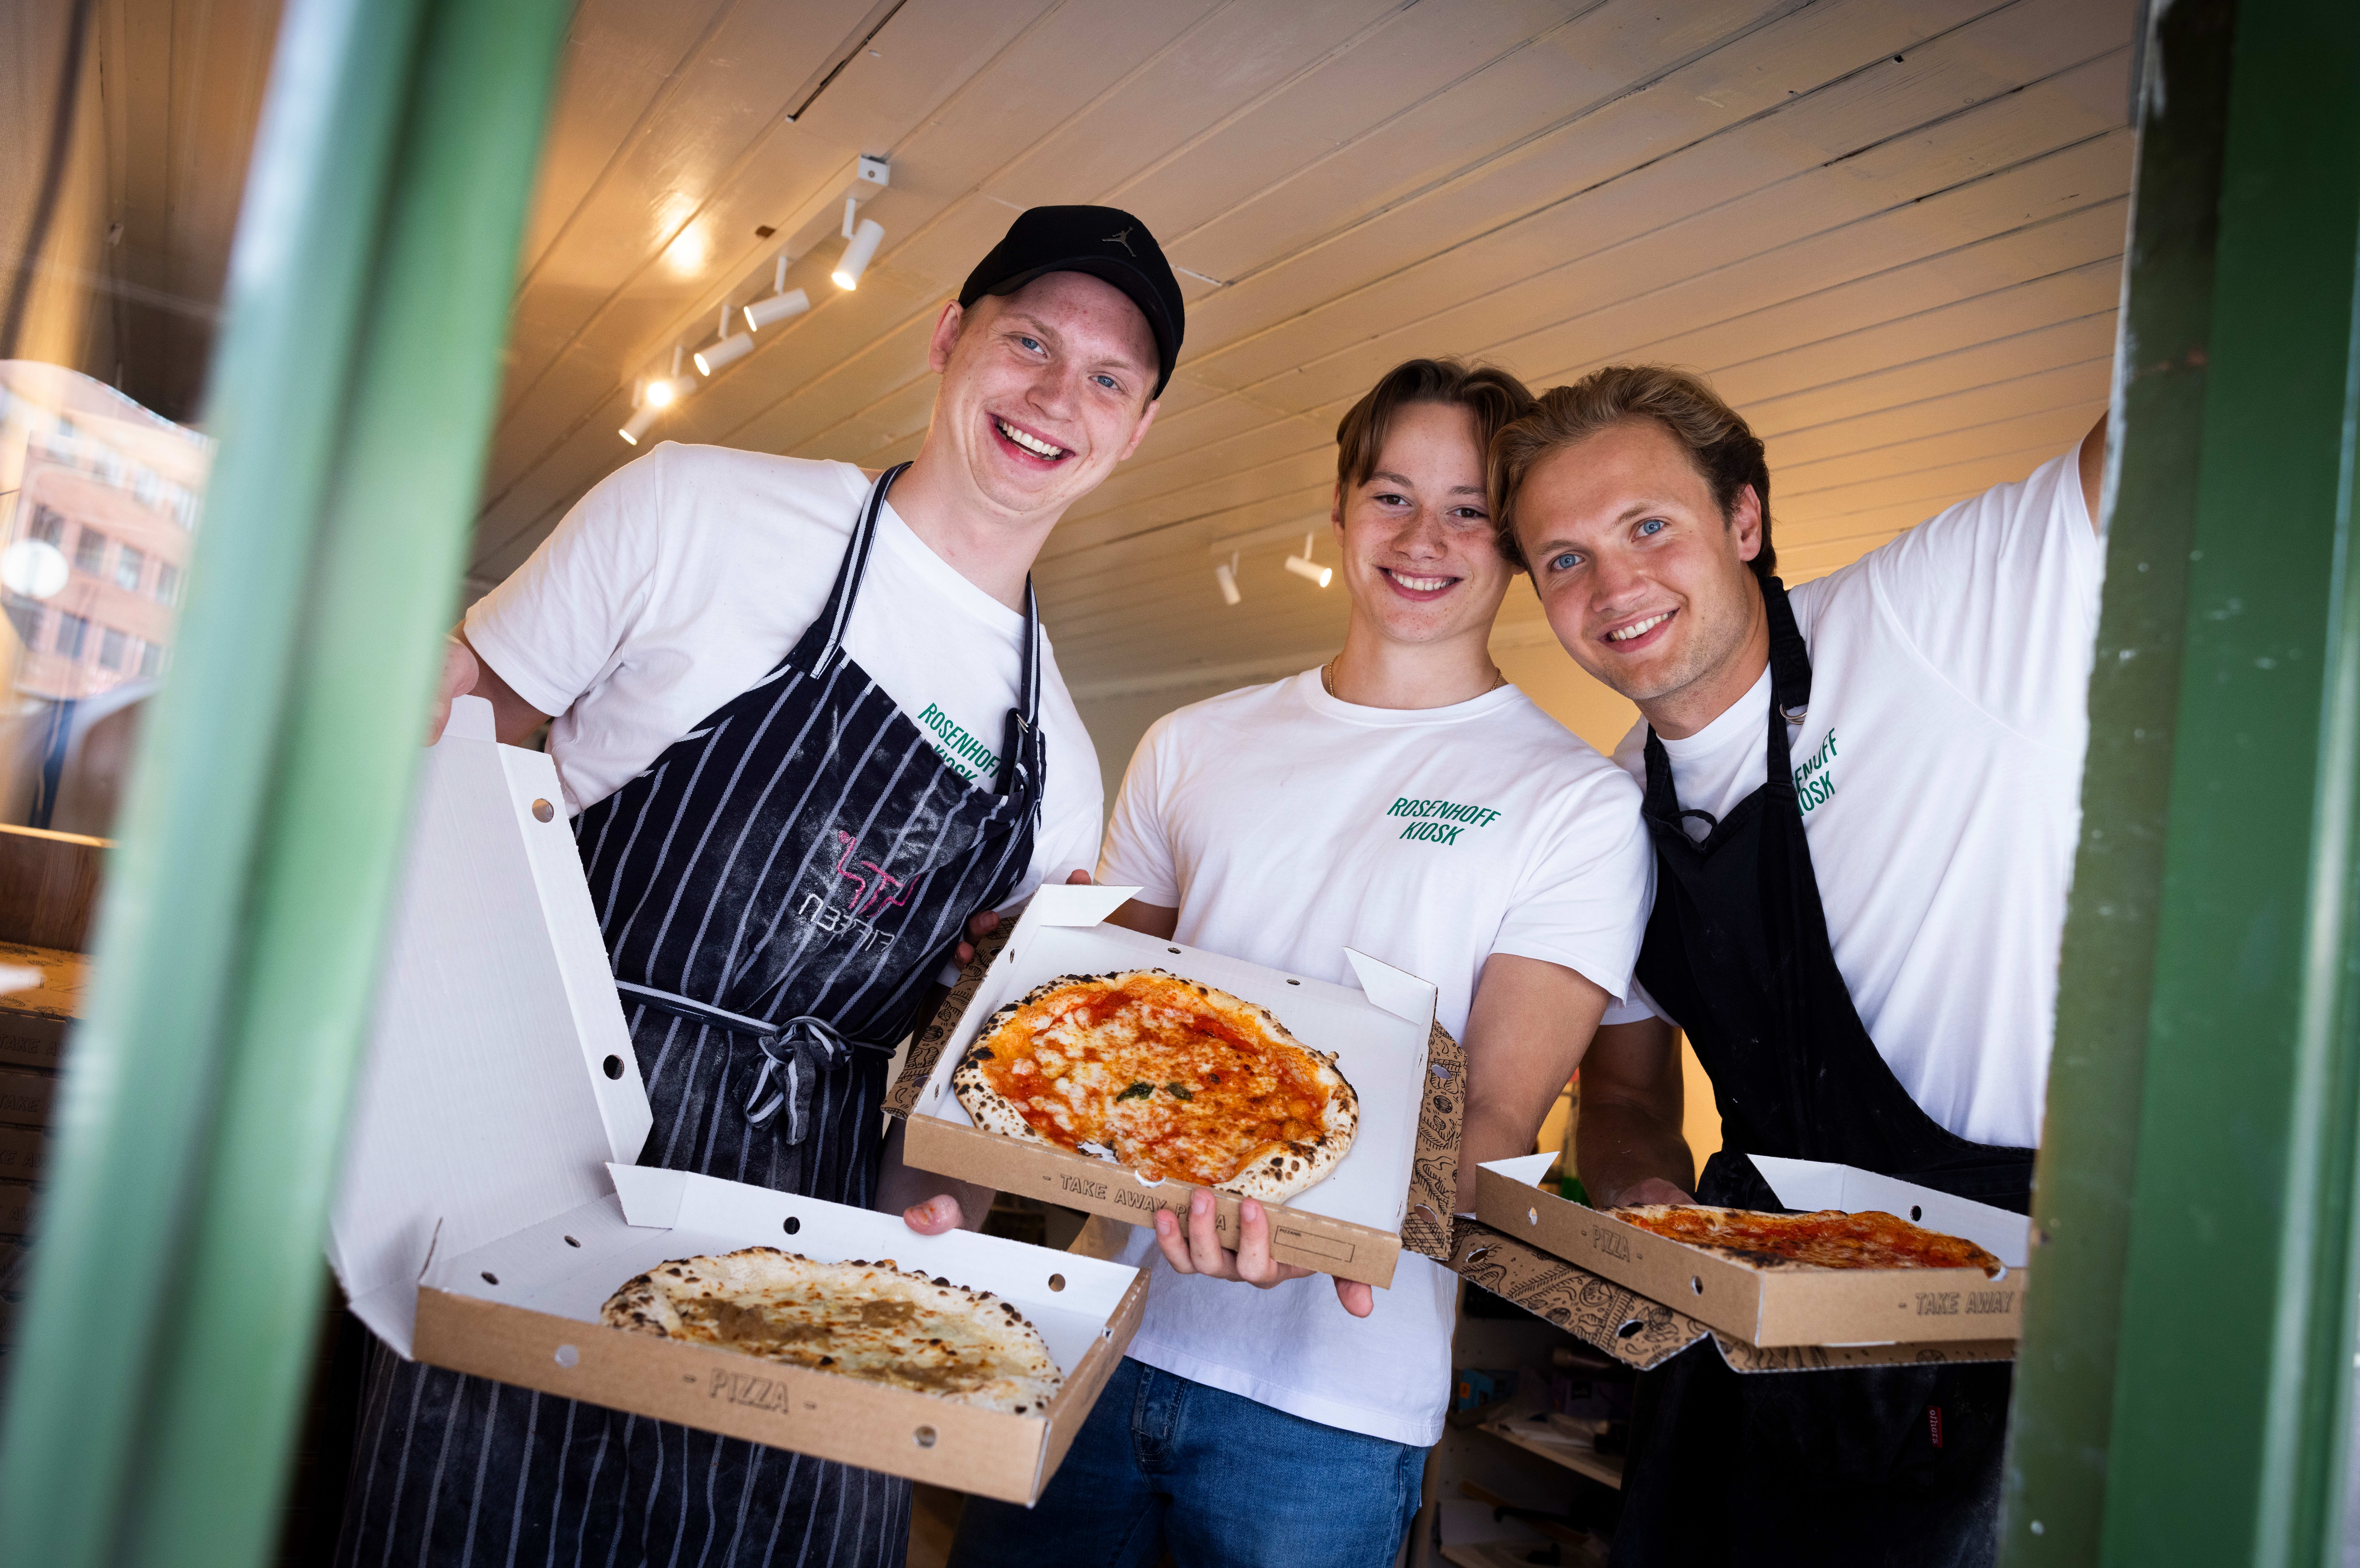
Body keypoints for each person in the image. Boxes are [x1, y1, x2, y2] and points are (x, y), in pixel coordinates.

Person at [336, 205, 1185, 1568]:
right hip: (535, 1156)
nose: (1053, 396)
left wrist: (937, 1215)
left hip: (815, 1229)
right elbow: (458, 749)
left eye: (1105, 378)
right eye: (1027, 339)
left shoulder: (1060, 769)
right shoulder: (699, 509)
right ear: (947, 337)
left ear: (1135, 429)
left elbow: (953, 1069)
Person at [945, 358, 1654, 1568]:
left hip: (1331, 1404)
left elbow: (1489, 1112)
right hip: (1099, 1334)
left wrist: (1311, 1230)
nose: (1422, 538)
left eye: (1469, 508)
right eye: (1389, 496)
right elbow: (1101, 1030)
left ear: (1520, 545)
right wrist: (1006, 969)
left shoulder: (1573, 803)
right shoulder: (1190, 744)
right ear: (1338, 511)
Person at [1492, 364, 2104, 1566]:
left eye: (1647, 526)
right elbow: (1622, 1097)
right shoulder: (1610, 810)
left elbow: (2175, 396)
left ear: (1743, 519)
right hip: (1756, 1333)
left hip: (2021, 1310)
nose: (1611, 584)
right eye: (1561, 558)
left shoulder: (1927, 616)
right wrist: (1640, 1205)